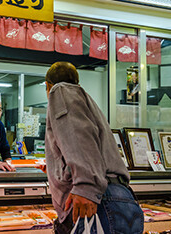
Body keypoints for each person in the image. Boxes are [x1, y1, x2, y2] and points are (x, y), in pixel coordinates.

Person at [41, 62, 143, 233]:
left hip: (99, 200)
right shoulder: (86, 100)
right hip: (119, 197)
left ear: (48, 86)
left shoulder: (60, 91)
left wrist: (85, 186)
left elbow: (78, 135)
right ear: (78, 83)